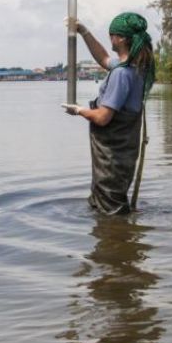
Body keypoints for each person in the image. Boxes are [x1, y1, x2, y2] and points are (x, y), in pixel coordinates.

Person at [62, 12, 155, 215]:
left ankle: (117, 240)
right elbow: (104, 59)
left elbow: (103, 118)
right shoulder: (135, 67)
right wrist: (83, 31)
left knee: (110, 209)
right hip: (122, 155)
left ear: (120, 39)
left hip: (113, 157)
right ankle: (121, 237)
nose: (110, 38)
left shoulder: (122, 74)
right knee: (108, 203)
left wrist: (79, 110)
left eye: (112, 34)